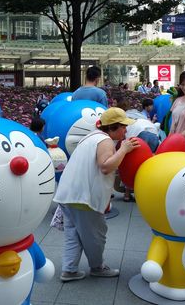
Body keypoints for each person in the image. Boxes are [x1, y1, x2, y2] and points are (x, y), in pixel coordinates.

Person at [53, 108, 140, 282]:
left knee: (74, 234)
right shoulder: (105, 141)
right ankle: (97, 267)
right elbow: (106, 166)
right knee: (96, 235)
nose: (126, 130)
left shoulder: (90, 136)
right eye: (124, 127)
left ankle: (69, 270)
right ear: (114, 127)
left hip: (67, 194)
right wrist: (124, 149)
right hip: (84, 198)